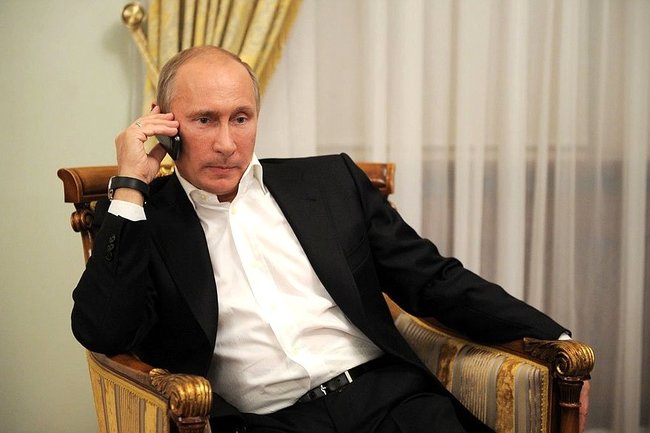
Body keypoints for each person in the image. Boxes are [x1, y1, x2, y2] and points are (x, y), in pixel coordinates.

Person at [71, 46, 580, 433]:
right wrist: (130, 186)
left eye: (241, 119)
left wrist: (550, 340)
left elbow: (431, 278)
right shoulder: (143, 219)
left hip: (389, 401)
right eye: (205, 120)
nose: (227, 144)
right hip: (268, 422)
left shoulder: (330, 183)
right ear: (164, 121)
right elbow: (103, 331)